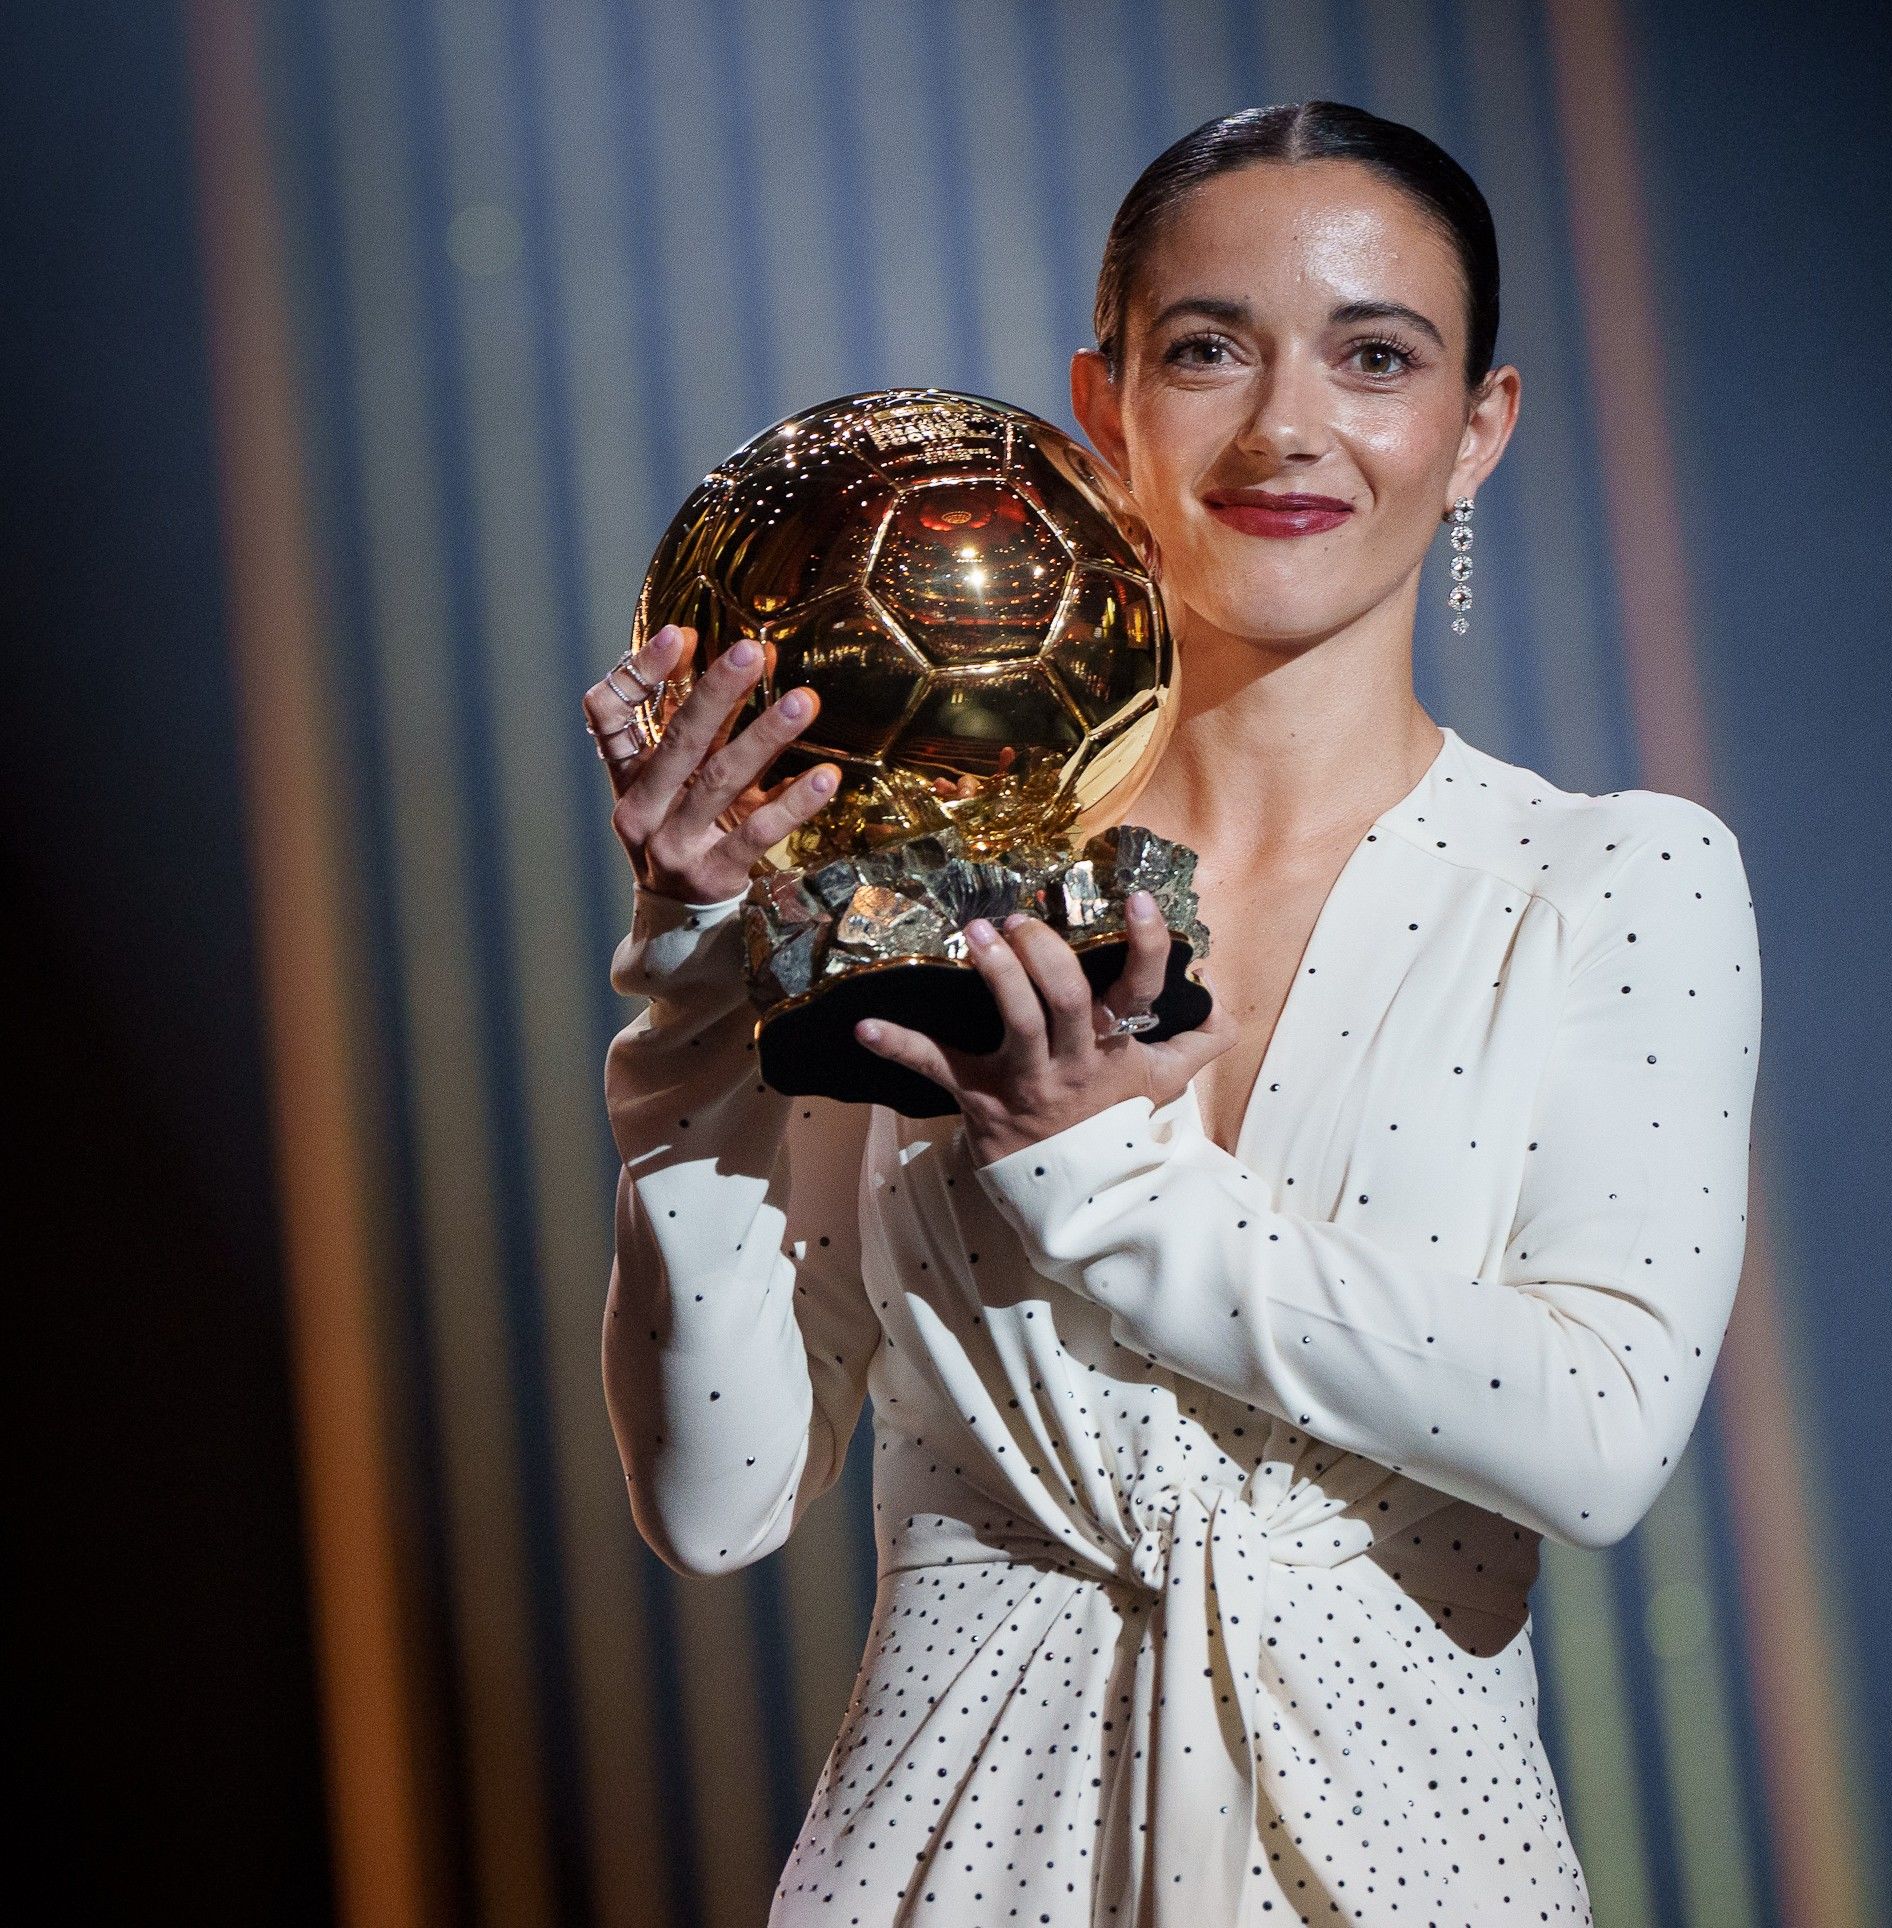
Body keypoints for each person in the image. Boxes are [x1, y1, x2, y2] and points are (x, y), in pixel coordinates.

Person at [583, 99, 1761, 1928]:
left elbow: (1598, 1437)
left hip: (1405, 1860)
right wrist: (689, 983)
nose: (1287, 424)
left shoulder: (1609, 878)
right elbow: (718, 1501)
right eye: (1210, 349)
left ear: (1479, 430)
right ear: (1105, 410)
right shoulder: (915, 865)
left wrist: (1099, 1179)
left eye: (1377, 357)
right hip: (948, 1855)